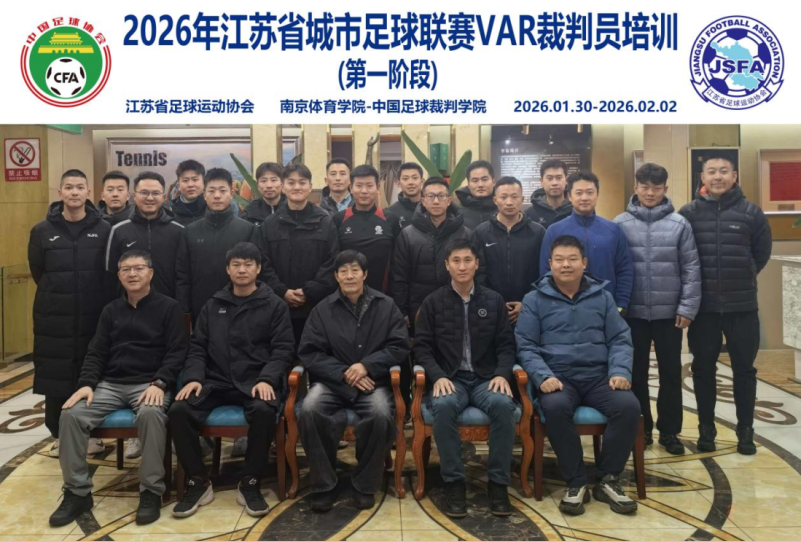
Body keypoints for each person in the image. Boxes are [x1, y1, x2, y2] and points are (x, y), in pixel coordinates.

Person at [49, 250, 188, 527]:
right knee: (71, 415)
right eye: (126, 269)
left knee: (151, 414)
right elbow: (96, 352)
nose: (132, 274)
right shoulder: (111, 310)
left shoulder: (169, 307)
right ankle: (77, 493)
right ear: (119, 275)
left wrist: (160, 382)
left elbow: (177, 352)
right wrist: (86, 384)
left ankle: (150, 491)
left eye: (138, 268)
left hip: (149, 383)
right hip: (110, 384)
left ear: (150, 272)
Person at [517, 235, 640, 516]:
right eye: (559, 259)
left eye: (572, 259)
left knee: (628, 406)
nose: (566, 265)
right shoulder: (534, 299)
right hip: (558, 377)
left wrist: (620, 371)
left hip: (599, 376)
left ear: (584, 263)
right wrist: (542, 376)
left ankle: (608, 479)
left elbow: (620, 339)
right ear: (549, 264)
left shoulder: (603, 297)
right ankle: (576, 481)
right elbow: (525, 345)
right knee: (555, 408)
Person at [170, 242, 295, 519]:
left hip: (255, 381)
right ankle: (198, 481)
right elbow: (198, 347)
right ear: (227, 269)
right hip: (216, 381)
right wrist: (193, 377)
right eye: (236, 264)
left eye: (248, 264)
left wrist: (267, 379)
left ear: (258, 269)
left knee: (264, 410)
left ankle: (250, 481)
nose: (242, 270)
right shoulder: (213, 304)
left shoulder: (274, 305)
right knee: (179, 410)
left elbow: (283, 349)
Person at [297, 250, 410, 512]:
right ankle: (324, 484)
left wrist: (366, 366)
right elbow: (310, 352)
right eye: (343, 271)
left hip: (373, 382)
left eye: (355, 270)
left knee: (381, 413)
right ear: (336, 276)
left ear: (365, 274)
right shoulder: (322, 310)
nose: (349, 276)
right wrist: (343, 373)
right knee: (310, 409)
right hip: (332, 383)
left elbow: (399, 345)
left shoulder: (386, 305)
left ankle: (365, 484)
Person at [413, 238, 516, 519]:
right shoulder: (433, 302)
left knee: (503, 404)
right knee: (444, 405)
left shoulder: (493, 300)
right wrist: (437, 376)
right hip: (450, 378)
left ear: (477, 264)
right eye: (456, 261)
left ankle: (498, 484)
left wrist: (502, 374)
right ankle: (454, 483)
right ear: (447, 265)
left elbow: (506, 345)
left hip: (486, 379)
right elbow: (422, 347)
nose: (462, 266)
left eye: (467, 260)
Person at [679, 151, 772, 455]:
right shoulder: (688, 213)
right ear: (702, 177)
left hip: (742, 308)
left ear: (734, 176)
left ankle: (745, 431)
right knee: (703, 370)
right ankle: (706, 430)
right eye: (711, 171)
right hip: (703, 309)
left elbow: (761, 254)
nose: (717, 176)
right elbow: (682, 257)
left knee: (744, 370)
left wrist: (744, 275)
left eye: (723, 171)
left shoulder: (752, 213)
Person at [614, 163, 702, 454]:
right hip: (632, 315)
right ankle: (641, 429)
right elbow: (615, 268)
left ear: (665, 189)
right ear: (636, 187)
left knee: (671, 374)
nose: (650, 193)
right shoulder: (620, 223)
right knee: (635, 373)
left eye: (656, 188)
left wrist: (687, 307)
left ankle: (670, 432)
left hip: (669, 314)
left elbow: (691, 269)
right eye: (645, 187)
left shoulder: (679, 224)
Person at [29, 169, 111, 459]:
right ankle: (60, 435)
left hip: (93, 314)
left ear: (88, 192)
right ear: (60, 192)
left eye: (80, 187)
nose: (74, 192)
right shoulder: (42, 230)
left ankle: (92, 435)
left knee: (91, 372)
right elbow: (38, 271)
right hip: (55, 317)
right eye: (69, 187)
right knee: (57, 376)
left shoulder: (104, 229)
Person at [255, 163, 339, 348]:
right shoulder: (269, 224)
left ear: (310, 187)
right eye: (291, 182)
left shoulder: (325, 221)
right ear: (283, 187)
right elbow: (262, 263)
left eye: (302, 182)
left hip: (317, 308)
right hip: (277, 307)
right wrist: (282, 291)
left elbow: (332, 262)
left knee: (315, 355)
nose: (297, 187)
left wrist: (309, 291)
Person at [539, 171, 634, 312]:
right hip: (564, 308)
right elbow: (546, 271)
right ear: (570, 196)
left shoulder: (613, 230)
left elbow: (624, 269)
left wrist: (621, 303)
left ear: (597, 195)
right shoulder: (555, 231)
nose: (584, 198)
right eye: (579, 193)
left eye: (590, 192)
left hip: (606, 307)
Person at [177, 167, 257, 324]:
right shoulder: (190, 232)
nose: (217, 196)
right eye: (211, 191)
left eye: (222, 190)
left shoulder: (248, 230)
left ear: (231, 194)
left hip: (240, 309)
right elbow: (182, 275)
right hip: (200, 308)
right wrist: (184, 310)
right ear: (204, 194)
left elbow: (255, 273)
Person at [391, 177, 473, 329]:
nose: (436, 201)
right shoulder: (407, 235)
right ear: (423, 201)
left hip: (458, 305)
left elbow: (477, 273)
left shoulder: (465, 234)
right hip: (418, 306)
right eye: (430, 196)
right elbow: (399, 276)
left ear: (449, 201)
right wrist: (402, 310)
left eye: (441, 196)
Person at [106, 171, 189, 302]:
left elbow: (184, 275)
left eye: (155, 193)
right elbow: (110, 275)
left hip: (169, 305)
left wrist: (182, 307)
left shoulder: (179, 231)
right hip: (130, 306)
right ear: (134, 196)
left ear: (163, 197)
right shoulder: (118, 230)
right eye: (144, 193)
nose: (150, 198)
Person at [475, 177, 545, 325]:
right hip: (491, 309)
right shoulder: (482, 232)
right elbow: (478, 272)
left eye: (514, 197)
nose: (509, 202)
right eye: (503, 197)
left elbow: (543, 273)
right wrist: (492, 302)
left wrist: (527, 303)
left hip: (529, 309)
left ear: (522, 199)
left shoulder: (538, 232)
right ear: (495, 200)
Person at [333, 164, 398, 293]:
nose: (364, 191)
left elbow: (397, 262)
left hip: (383, 294)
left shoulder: (390, 219)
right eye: (359, 185)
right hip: (346, 293)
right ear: (351, 188)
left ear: (377, 188)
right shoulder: (339, 219)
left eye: (369, 185)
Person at [168, 160, 239, 226]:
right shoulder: (170, 212)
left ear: (204, 182)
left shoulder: (220, 205)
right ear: (178, 186)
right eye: (185, 180)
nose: (190, 185)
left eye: (195, 179)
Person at [525, 159, 573, 229]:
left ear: (566, 180)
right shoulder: (530, 214)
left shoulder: (576, 211)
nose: (554, 183)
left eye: (559, 178)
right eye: (549, 178)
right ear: (541, 181)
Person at [241, 162, 286, 227]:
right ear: (258, 186)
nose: (269, 185)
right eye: (263, 181)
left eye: (273, 180)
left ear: (282, 184)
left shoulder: (292, 209)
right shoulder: (249, 213)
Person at [455, 160, 497, 230]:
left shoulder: (504, 210)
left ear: (493, 182)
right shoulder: (458, 215)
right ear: (468, 184)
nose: (480, 185)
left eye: (484, 179)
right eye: (475, 181)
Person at [388, 162, 424, 231]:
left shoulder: (431, 209)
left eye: (415, 178)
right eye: (405, 179)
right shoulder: (390, 213)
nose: (410, 182)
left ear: (422, 181)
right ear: (398, 183)